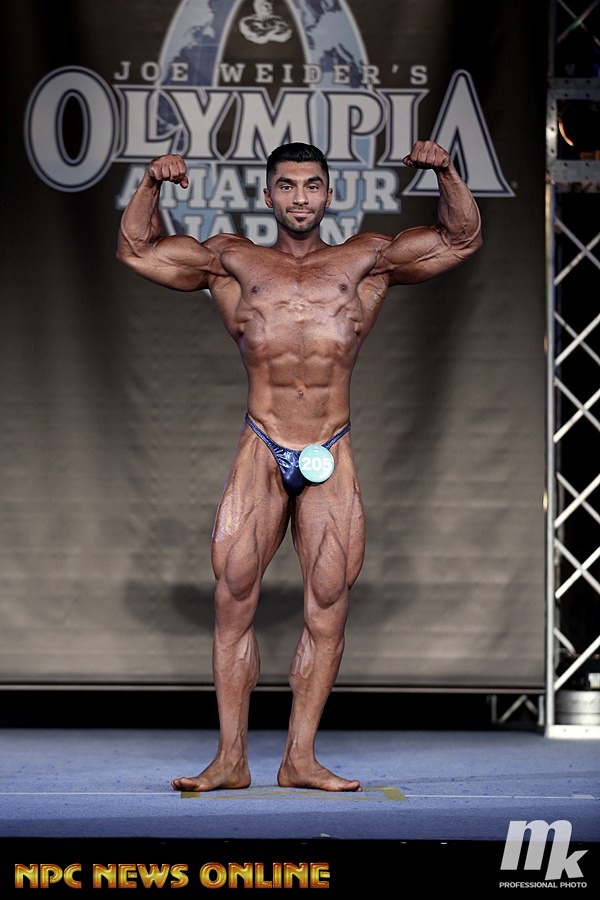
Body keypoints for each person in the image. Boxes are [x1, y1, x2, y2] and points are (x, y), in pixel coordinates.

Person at [117, 139, 482, 793]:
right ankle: (230, 759)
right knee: (233, 598)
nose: (300, 197)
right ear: (268, 195)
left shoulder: (365, 261)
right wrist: (150, 184)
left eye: (312, 185)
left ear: (330, 194)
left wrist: (448, 173)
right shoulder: (233, 261)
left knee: (328, 603)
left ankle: (300, 759)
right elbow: (137, 250)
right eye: (286, 186)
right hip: (262, 441)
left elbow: (460, 240)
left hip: (329, 444)